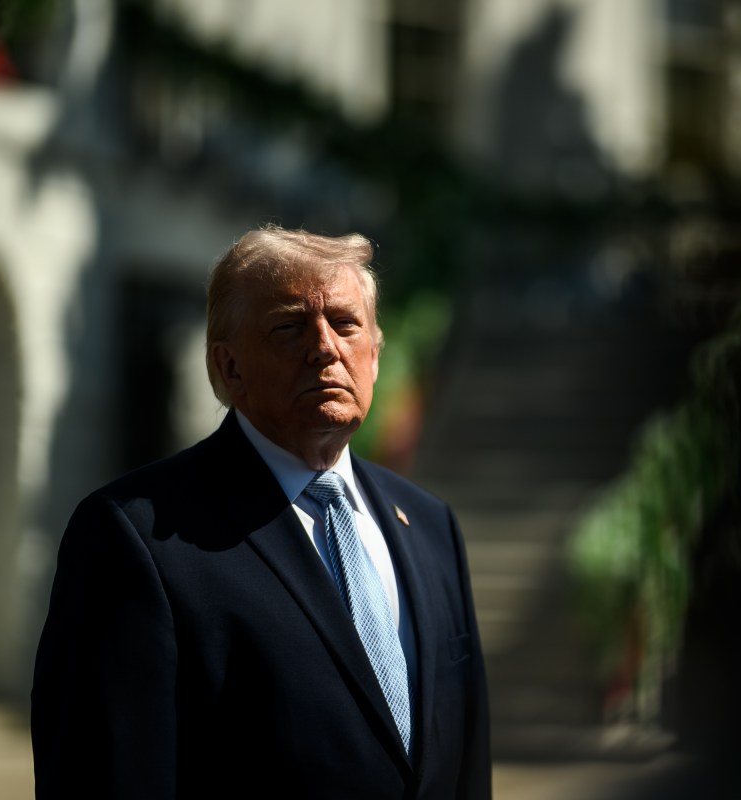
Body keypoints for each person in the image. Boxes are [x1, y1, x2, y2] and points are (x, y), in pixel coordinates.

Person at [31, 225, 491, 798]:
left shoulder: (429, 526)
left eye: (346, 324)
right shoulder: (136, 538)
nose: (325, 346)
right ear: (229, 369)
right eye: (289, 326)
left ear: (375, 355)